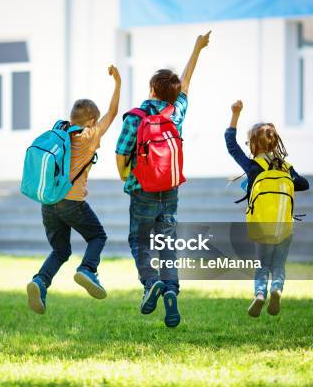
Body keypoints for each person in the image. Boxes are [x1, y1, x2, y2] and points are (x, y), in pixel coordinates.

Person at [115, 32, 211, 327]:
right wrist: (197, 48)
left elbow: (121, 153)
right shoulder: (176, 112)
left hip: (141, 188)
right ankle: (170, 291)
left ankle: (151, 282)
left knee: (139, 240)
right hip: (169, 188)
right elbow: (187, 81)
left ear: (151, 89)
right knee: (167, 241)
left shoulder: (136, 116)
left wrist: (126, 177)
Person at [26, 66, 121, 315]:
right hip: (72, 202)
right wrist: (118, 83)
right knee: (98, 236)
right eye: (95, 119)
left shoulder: (61, 132)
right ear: (90, 121)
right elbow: (112, 113)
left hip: (49, 201)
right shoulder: (89, 136)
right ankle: (88, 269)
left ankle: (40, 282)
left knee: (60, 250)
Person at [225, 100, 309, 317]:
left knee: (263, 266)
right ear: (275, 143)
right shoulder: (286, 167)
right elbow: (304, 184)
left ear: (253, 144)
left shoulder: (254, 167)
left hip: (262, 228)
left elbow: (230, 144)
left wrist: (235, 114)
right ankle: (276, 289)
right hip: (284, 227)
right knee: (278, 265)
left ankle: (260, 293)